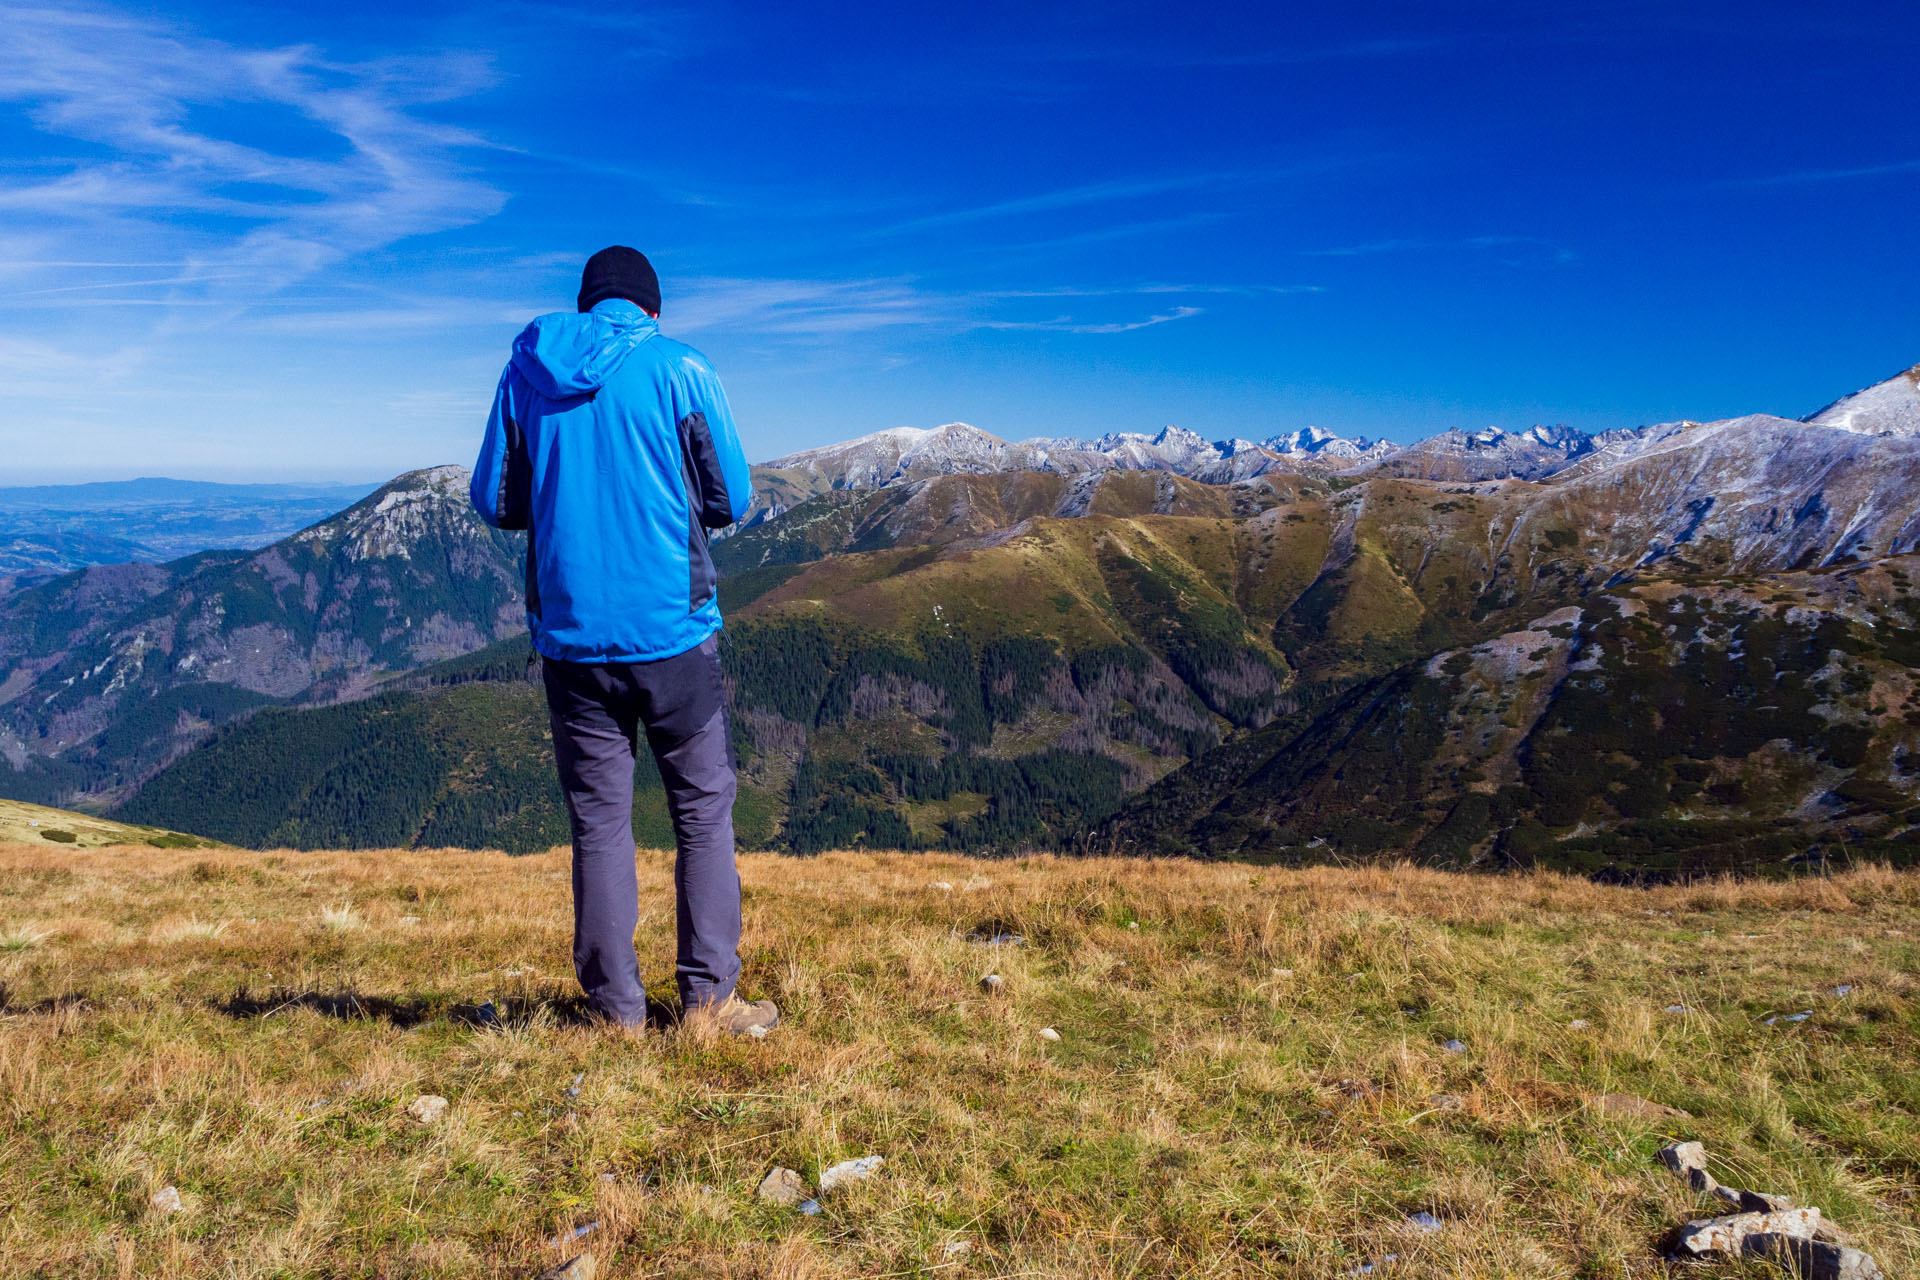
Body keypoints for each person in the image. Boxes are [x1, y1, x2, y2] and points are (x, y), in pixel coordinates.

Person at [469, 245, 776, 1036]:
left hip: (572, 641)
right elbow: (729, 497)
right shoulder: (682, 369)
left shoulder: (527, 372)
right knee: (702, 813)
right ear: (651, 307)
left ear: (584, 303)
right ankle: (708, 1004)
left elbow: (495, 499)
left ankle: (615, 1013)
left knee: (599, 823)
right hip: (675, 635)